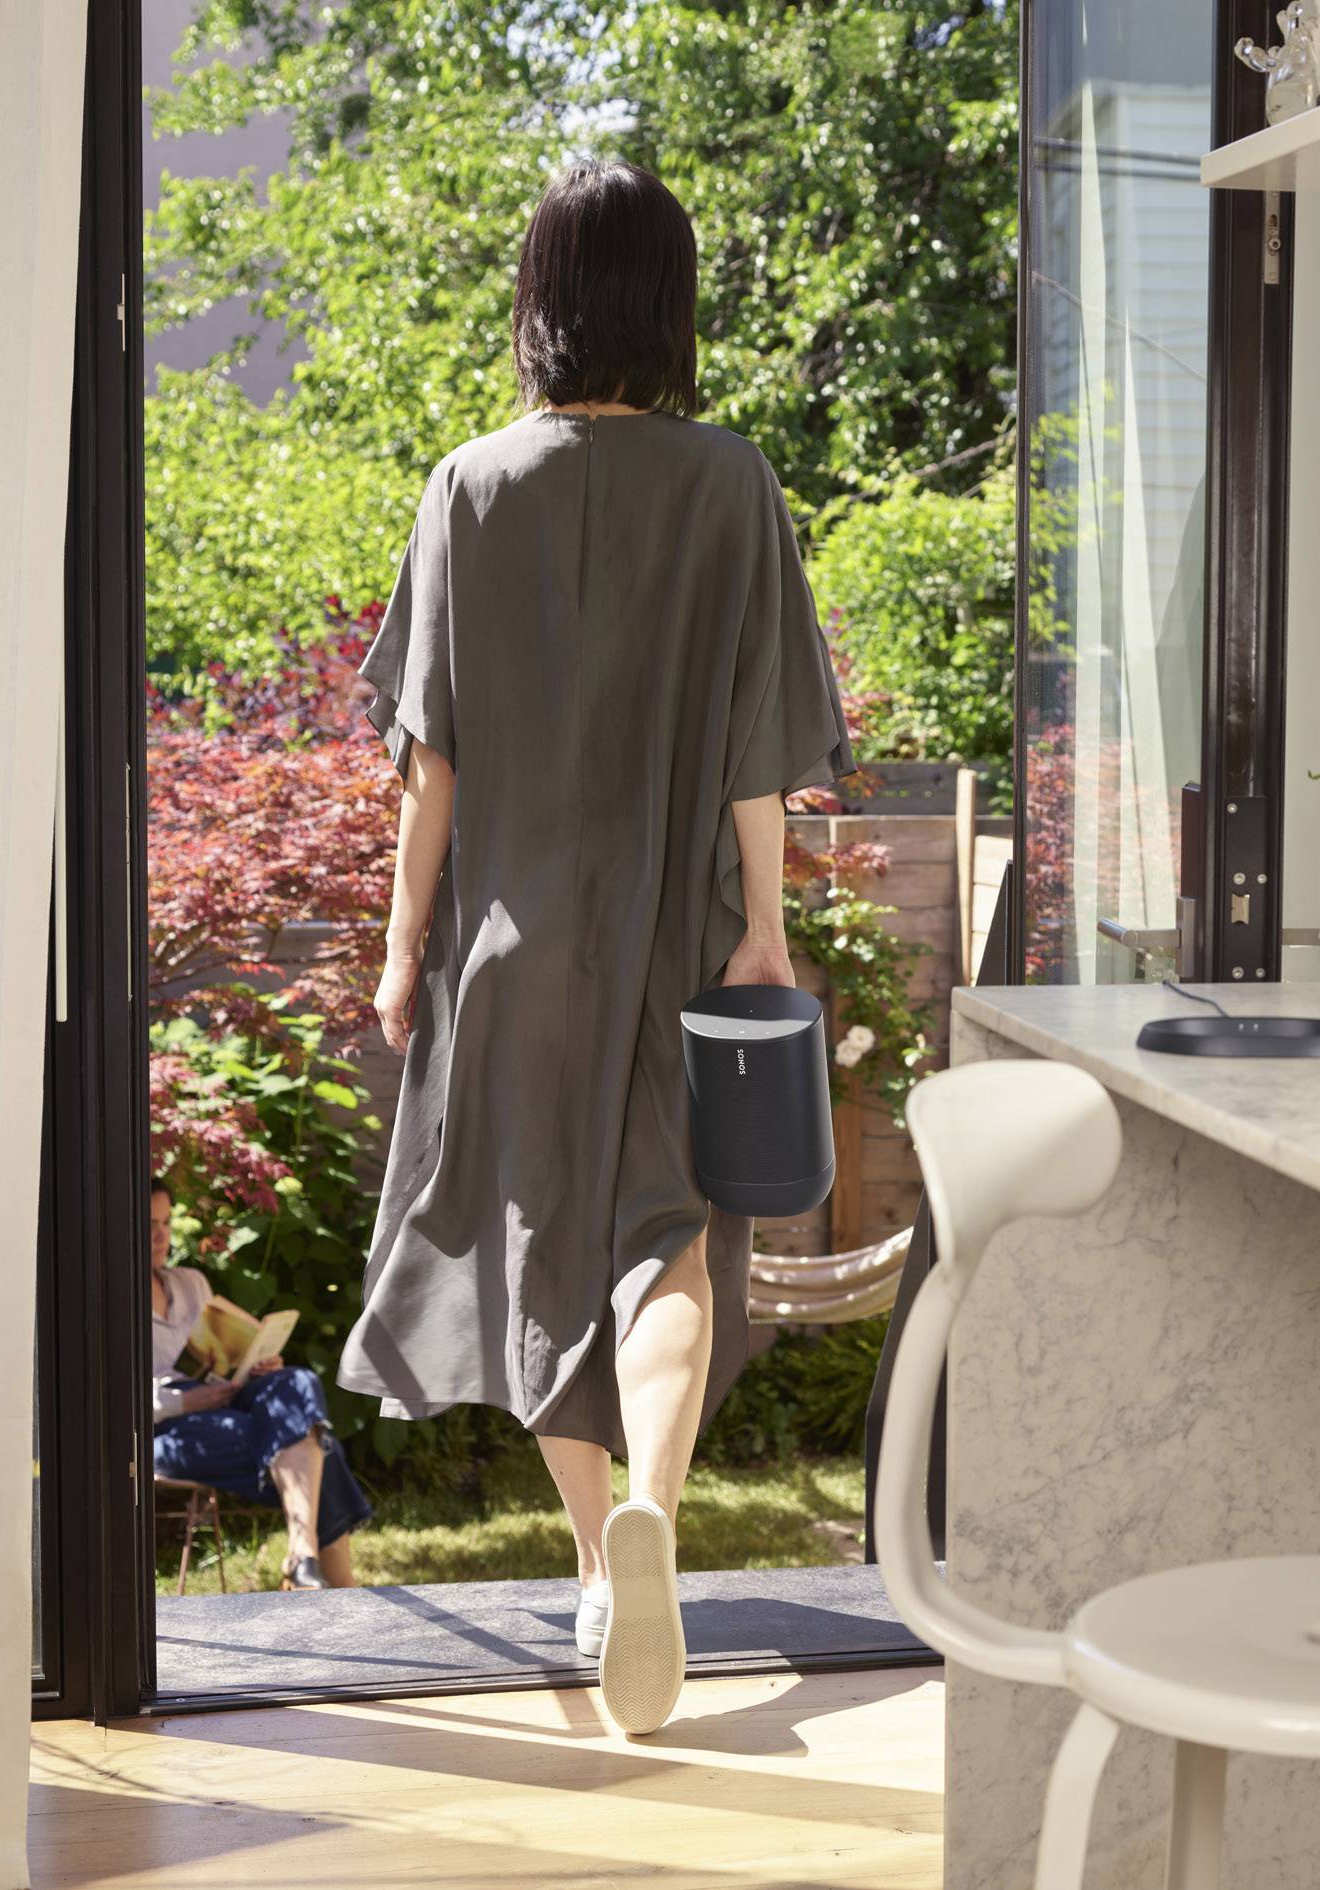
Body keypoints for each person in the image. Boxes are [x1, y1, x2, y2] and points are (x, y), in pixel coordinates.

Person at [337, 160, 853, 1736]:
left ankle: (587, 1549)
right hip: (680, 933)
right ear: (669, 299)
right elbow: (763, 751)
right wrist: (762, 929)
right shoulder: (735, 482)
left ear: (539, 297)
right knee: (665, 1244)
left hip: (508, 942)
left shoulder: (465, 485)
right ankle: (658, 1534)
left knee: (531, 1254)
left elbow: (436, 763)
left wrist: (402, 943)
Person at [149, 1181, 371, 1590]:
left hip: (228, 1394)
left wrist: (254, 1363)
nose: (161, 1235)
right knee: (318, 1444)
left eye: (165, 1222)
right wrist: (188, 1402)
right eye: (148, 1225)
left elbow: (222, 1346)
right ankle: (326, 1581)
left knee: (296, 1382)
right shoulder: (108, 1301)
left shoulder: (190, 1282)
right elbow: (113, 1402)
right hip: (168, 1427)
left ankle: (303, 1555)